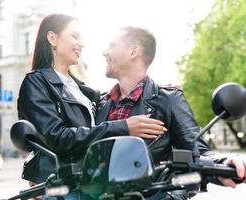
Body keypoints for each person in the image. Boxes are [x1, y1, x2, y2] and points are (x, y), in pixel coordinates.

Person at [17, 14, 166, 200]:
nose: (82, 44)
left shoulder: (86, 92)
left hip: (87, 184)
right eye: (75, 36)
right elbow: (57, 138)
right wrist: (124, 127)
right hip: (56, 185)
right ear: (52, 38)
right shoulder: (36, 82)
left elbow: (94, 134)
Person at [97, 26, 246, 199]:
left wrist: (223, 163)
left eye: (112, 46)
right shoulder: (100, 103)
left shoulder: (168, 99)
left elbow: (195, 149)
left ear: (133, 51)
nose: (104, 52)